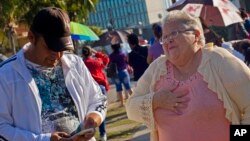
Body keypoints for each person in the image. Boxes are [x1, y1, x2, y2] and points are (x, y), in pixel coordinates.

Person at [126, 10, 250, 141]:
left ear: (196, 35)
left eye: (174, 33)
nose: (168, 41)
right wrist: (156, 101)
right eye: (164, 37)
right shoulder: (156, 68)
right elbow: (130, 108)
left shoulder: (219, 60)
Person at [0, 7, 107, 141]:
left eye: (62, 48)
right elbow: (2, 127)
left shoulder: (75, 63)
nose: (57, 55)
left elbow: (98, 99)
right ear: (31, 37)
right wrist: (45, 139)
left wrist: (92, 119)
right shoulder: (5, 75)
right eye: (50, 48)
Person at [82, 46, 109, 141]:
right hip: (100, 87)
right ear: (90, 53)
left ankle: (89, 133)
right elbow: (106, 59)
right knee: (99, 112)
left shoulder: (82, 64)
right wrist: (96, 52)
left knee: (87, 115)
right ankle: (103, 134)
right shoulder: (96, 61)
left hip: (88, 90)